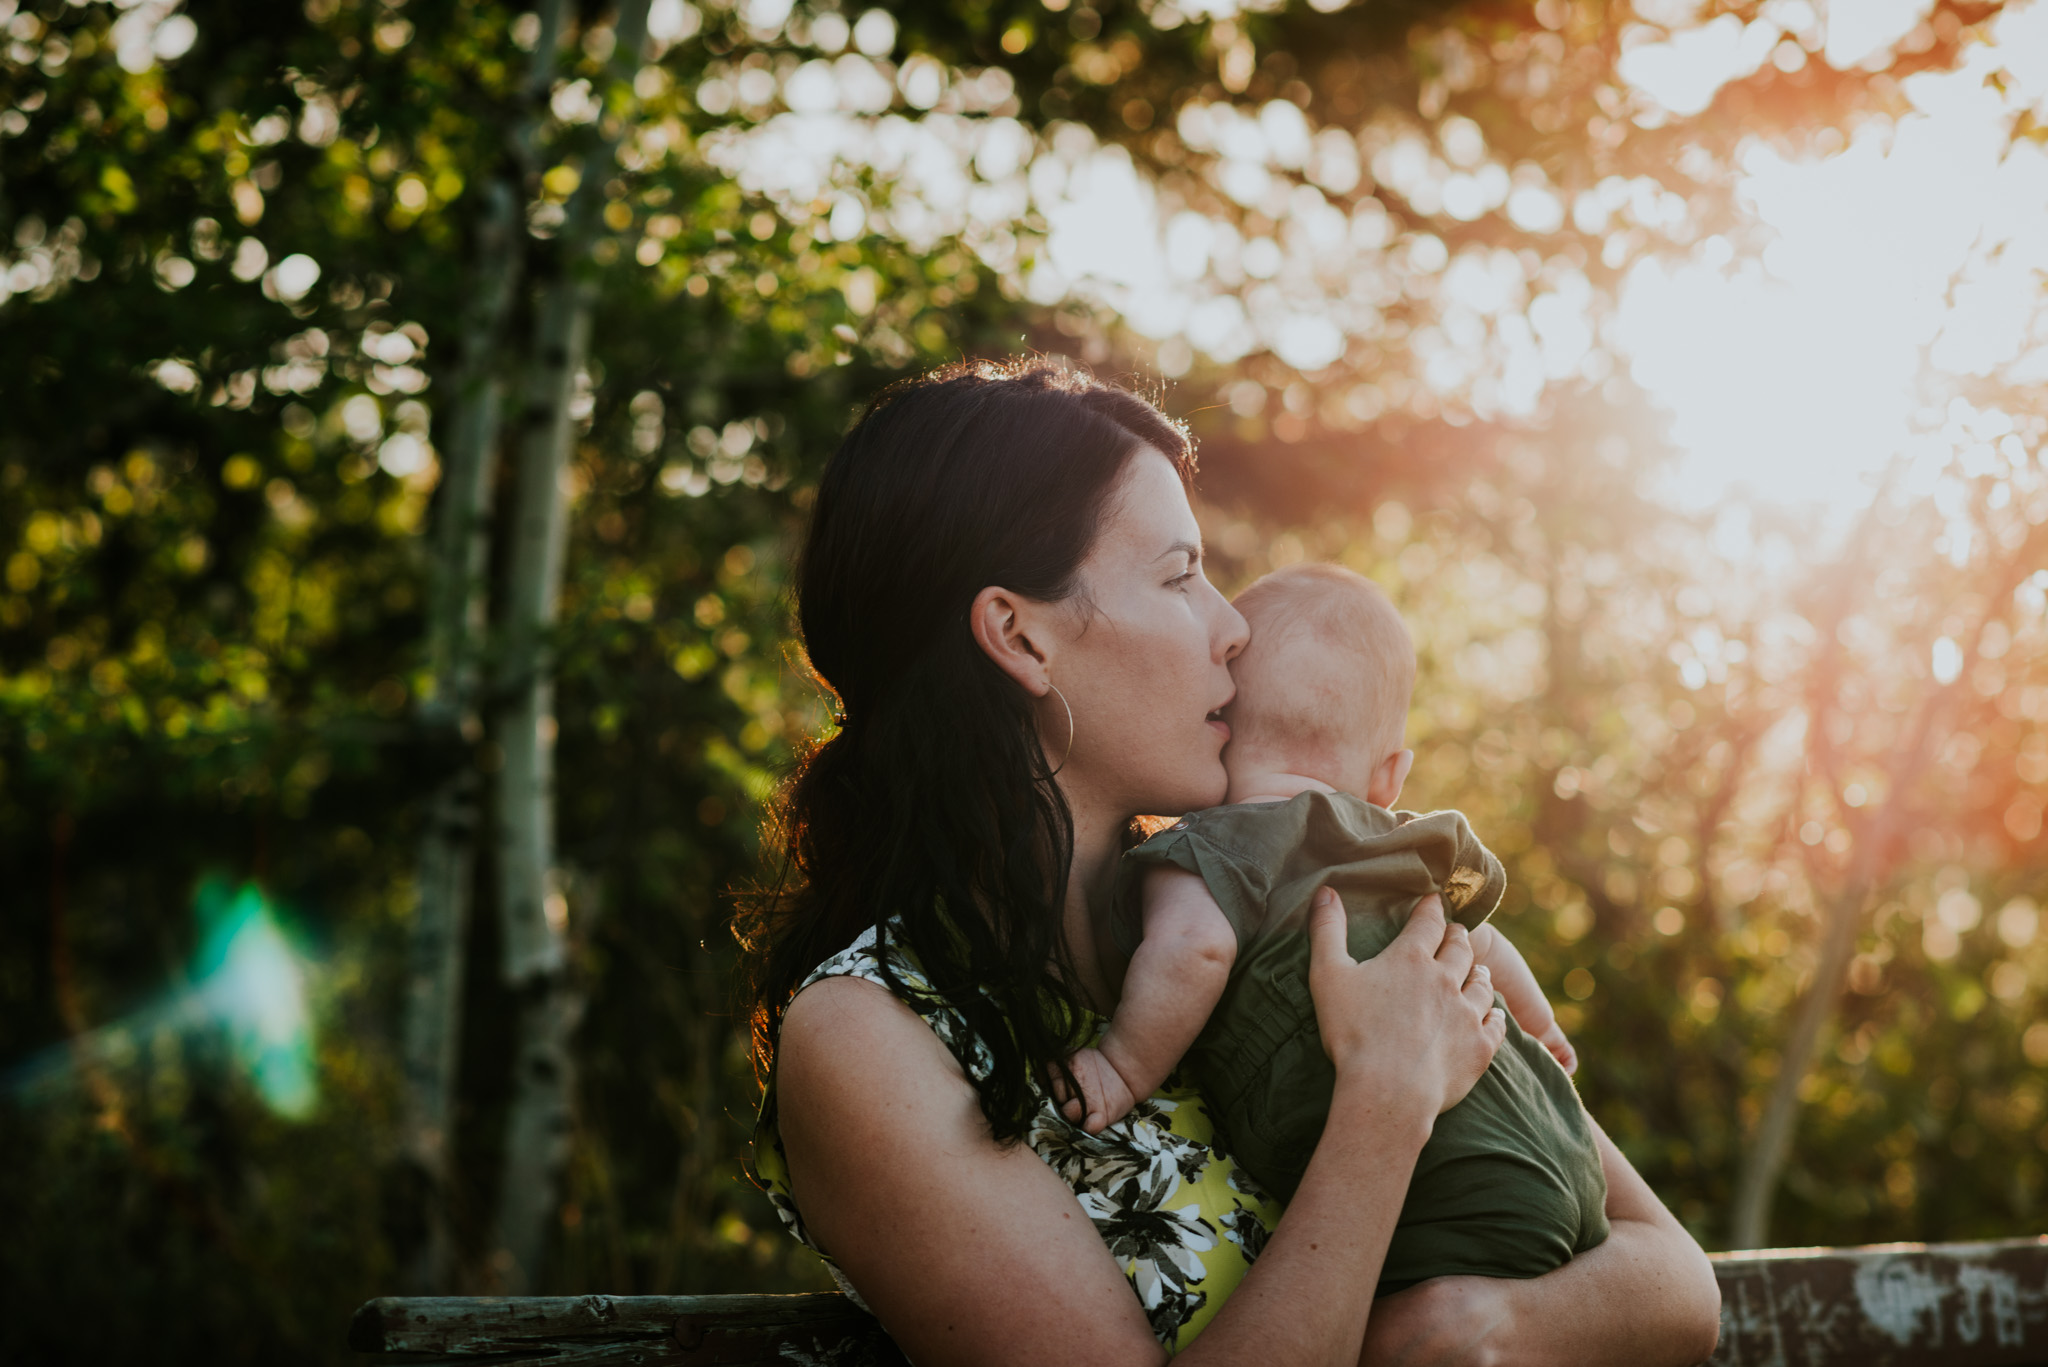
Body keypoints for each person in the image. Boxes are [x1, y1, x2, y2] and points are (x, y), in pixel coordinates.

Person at [738, 360, 1721, 1366]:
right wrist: (1380, 1106)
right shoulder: (870, 1036)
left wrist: (1470, 1326)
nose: (1233, 624)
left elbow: (1677, 1279)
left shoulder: (1285, 904)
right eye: (1177, 575)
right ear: (1018, 636)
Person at [1057, 562, 1607, 1297]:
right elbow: (1481, 944)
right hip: (1558, 1152)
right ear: (1390, 775)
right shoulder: (1401, 842)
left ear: (1219, 730)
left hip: (1434, 1195)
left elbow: (1195, 949)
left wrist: (1121, 1065)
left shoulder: (1217, 847)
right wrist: (1541, 1030)